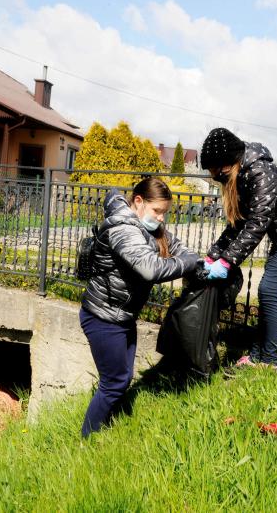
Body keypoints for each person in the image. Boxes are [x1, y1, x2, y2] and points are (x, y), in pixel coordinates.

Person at [79, 177, 199, 437]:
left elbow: (177, 246)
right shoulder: (123, 229)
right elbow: (150, 269)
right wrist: (190, 263)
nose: (161, 218)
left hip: (122, 316)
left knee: (123, 379)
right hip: (103, 317)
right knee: (113, 383)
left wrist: (193, 258)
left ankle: (109, 430)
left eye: (164, 213)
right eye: (157, 211)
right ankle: (87, 440)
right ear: (138, 201)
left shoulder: (148, 227)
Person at [200, 128, 277, 369]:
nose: (216, 177)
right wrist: (212, 256)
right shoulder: (241, 174)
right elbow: (238, 224)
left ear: (228, 163)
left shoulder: (259, 172)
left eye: (217, 172)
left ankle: (269, 362)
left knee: (270, 290)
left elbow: (257, 223)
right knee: (267, 290)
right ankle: (258, 354)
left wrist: (226, 262)